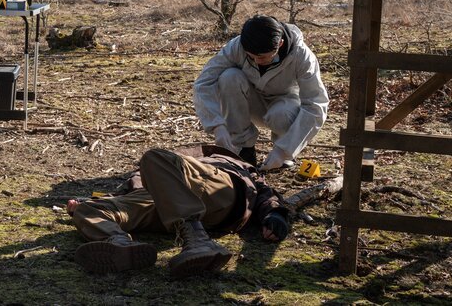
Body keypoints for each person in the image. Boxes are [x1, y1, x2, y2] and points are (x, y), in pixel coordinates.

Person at [67, 146, 290, 279]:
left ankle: (198, 239)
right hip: (161, 198)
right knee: (90, 209)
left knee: (154, 156)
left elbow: (262, 190)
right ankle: (118, 243)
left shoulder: (232, 163)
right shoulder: (186, 155)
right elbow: (139, 183)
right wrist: (101, 200)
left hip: (217, 192)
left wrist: (275, 213)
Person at [194, 15, 329, 170]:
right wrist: (217, 125)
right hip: (251, 101)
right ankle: (243, 149)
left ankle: (281, 156)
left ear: (280, 44)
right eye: (251, 57)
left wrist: (283, 151)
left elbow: (316, 104)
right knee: (229, 77)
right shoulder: (236, 47)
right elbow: (203, 82)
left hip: (286, 105)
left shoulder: (302, 56)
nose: (257, 61)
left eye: (262, 57)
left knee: (281, 114)